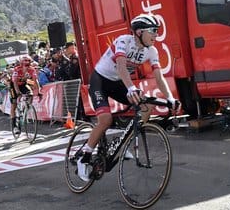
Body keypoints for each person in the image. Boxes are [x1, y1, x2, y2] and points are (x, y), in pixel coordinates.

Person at [76, 13, 179, 181]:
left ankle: (124, 144)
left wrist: (170, 98)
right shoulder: (123, 41)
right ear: (139, 32)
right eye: (152, 31)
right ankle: (84, 156)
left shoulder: (151, 51)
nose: (156, 35)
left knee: (146, 107)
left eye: (157, 31)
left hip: (118, 83)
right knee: (105, 120)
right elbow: (122, 67)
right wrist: (131, 88)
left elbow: (159, 77)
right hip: (100, 80)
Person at [10, 55, 41, 130]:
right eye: (25, 62)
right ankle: (14, 126)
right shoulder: (17, 69)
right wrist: (18, 92)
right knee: (14, 104)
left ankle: (25, 110)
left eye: (29, 62)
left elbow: (35, 81)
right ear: (21, 63)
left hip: (23, 84)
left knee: (30, 94)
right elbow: (15, 83)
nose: (27, 64)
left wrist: (39, 91)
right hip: (14, 86)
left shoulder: (32, 69)